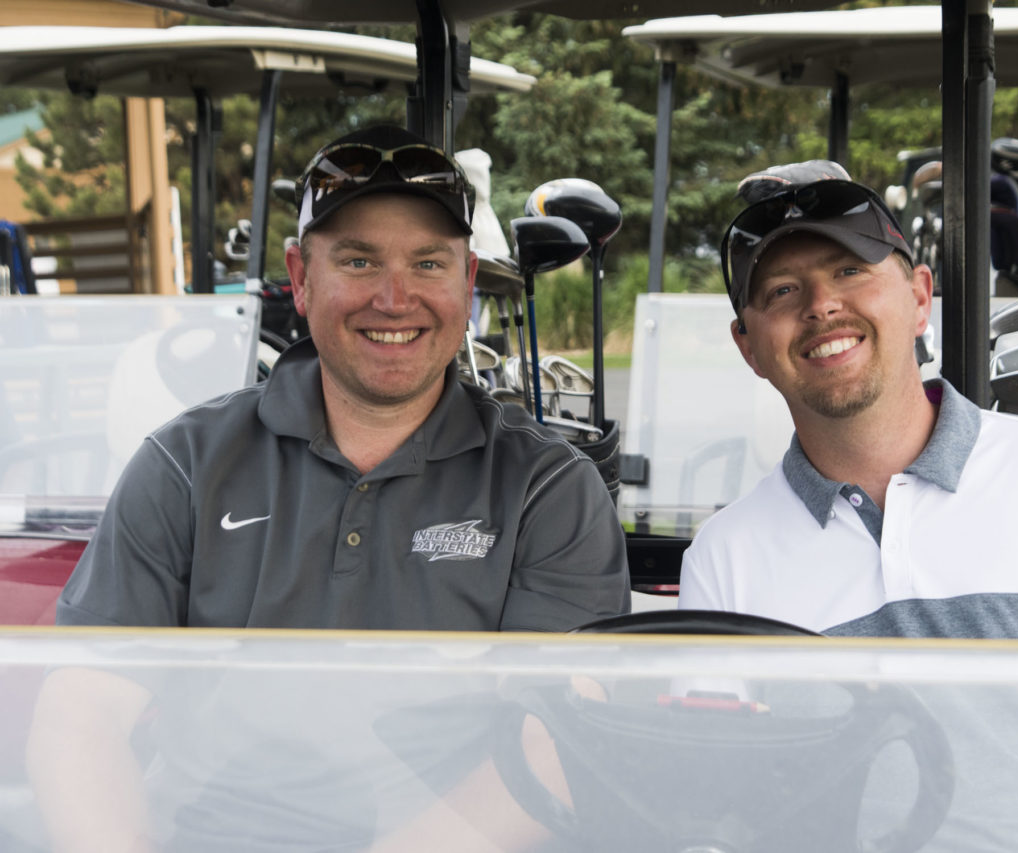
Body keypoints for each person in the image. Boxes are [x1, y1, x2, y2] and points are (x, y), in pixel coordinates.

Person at [28, 125, 630, 852]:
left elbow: (553, 745)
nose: (394, 296)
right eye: (357, 259)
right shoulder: (185, 462)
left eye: (428, 263)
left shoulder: (546, 489)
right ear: (301, 277)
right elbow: (81, 713)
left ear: (467, 283)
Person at [679, 176, 1018, 852]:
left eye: (850, 270)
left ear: (920, 298)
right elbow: (722, 796)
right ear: (749, 346)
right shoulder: (723, 557)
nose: (822, 305)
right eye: (781, 291)